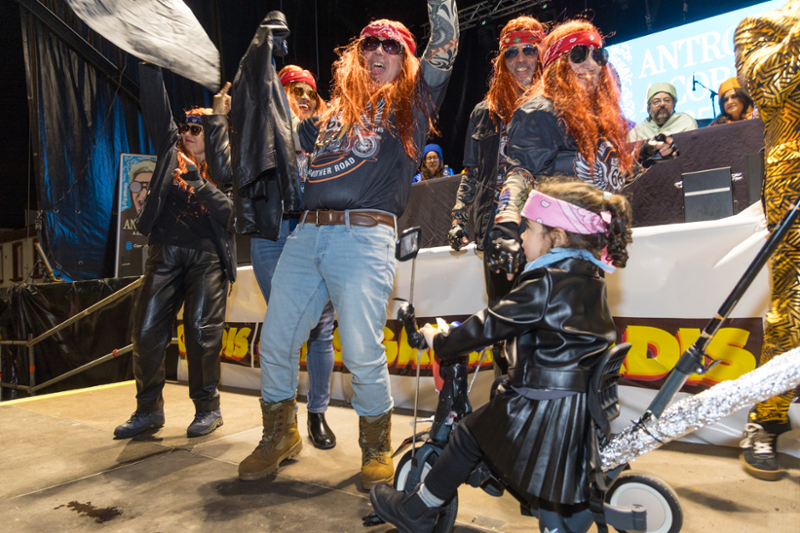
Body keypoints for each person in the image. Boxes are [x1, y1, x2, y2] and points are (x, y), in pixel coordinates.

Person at [237, 0, 459, 491]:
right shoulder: (329, 113)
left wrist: (443, 9)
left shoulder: (412, 102)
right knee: (275, 342)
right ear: (357, 55)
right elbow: (276, 137)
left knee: (361, 349)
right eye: (369, 44)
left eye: (391, 45)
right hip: (307, 232)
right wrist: (258, 77)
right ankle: (279, 436)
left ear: (405, 58)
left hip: (365, 233)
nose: (378, 51)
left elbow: (444, 52)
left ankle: (376, 447)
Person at [369, 179, 633, 533]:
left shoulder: (547, 281)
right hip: (575, 408)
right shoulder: (590, 276)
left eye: (530, 228)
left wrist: (440, 342)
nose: (522, 237)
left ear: (558, 236)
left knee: (468, 434)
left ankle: (416, 511)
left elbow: (490, 324)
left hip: (538, 409)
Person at [114, 63, 236, 439]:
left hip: (207, 258)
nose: (187, 134)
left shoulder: (227, 168)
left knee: (201, 332)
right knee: (146, 330)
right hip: (165, 253)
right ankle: (148, 410)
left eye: (196, 129)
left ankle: (208, 408)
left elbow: (231, 215)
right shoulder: (171, 153)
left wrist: (201, 182)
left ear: (214, 134)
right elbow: (156, 109)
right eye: (185, 128)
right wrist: (150, 66)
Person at [489, 20, 674, 264]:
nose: (591, 64)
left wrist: (643, 158)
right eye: (578, 54)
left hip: (590, 247)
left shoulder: (596, 119)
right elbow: (521, 174)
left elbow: (603, 181)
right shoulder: (541, 111)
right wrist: (506, 228)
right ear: (559, 64)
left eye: (598, 55)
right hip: (553, 251)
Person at [447, 15, 545, 375]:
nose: (520, 60)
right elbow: (470, 173)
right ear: (501, 61)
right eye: (511, 53)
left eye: (529, 51)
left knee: (546, 318)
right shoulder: (483, 113)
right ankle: (509, 394)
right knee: (503, 317)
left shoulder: (557, 102)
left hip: (545, 226)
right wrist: (458, 217)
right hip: (496, 229)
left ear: (542, 53)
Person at [734, 0, 800, 481]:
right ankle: (767, 418)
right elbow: (768, 87)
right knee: (792, 301)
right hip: (794, 180)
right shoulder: (762, 23)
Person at [628, 82, 697, 141]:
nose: (662, 104)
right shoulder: (636, 132)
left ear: (673, 105)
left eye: (666, 100)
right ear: (649, 110)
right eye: (656, 101)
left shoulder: (686, 122)